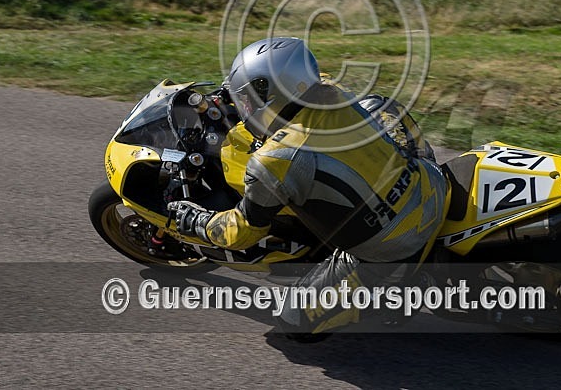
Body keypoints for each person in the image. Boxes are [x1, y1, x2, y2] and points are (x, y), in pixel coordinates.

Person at [168, 37, 450, 334]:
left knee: (293, 322)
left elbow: (241, 232)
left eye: (248, 99)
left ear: (272, 94)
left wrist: (193, 221)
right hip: (429, 180)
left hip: (395, 245)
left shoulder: (275, 160)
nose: (245, 105)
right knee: (377, 104)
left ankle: (396, 294)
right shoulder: (329, 90)